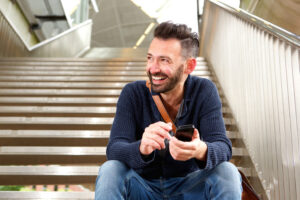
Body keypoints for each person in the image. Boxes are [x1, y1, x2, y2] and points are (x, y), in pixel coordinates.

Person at [95, 22, 242, 200]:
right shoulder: (132, 93)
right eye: (150, 58)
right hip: (142, 188)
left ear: (189, 66)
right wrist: (142, 147)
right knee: (110, 169)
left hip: (189, 188)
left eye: (164, 60)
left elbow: (222, 146)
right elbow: (114, 150)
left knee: (227, 171)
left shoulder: (204, 90)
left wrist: (199, 149)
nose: (153, 68)